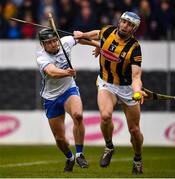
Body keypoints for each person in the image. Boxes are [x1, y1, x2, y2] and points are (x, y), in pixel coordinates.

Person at [74, 11, 147, 174]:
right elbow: (97, 34)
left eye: (129, 24)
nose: (125, 26)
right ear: (119, 21)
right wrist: (82, 35)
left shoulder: (135, 48)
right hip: (107, 83)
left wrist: (137, 91)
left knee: (134, 130)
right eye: (123, 22)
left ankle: (137, 159)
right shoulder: (108, 31)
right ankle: (109, 146)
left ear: (134, 29)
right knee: (106, 116)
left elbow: (136, 76)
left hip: (127, 89)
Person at [36, 28, 96, 172]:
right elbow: (51, 72)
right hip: (51, 98)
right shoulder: (41, 58)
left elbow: (80, 38)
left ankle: (80, 154)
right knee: (60, 139)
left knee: (78, 115)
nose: (53, 44)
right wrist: (67, 72)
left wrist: (98, 46)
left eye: (54, 40)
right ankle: (70, 158)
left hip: (69, 90)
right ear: (43, 45)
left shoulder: (65, 42)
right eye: (49, 42)